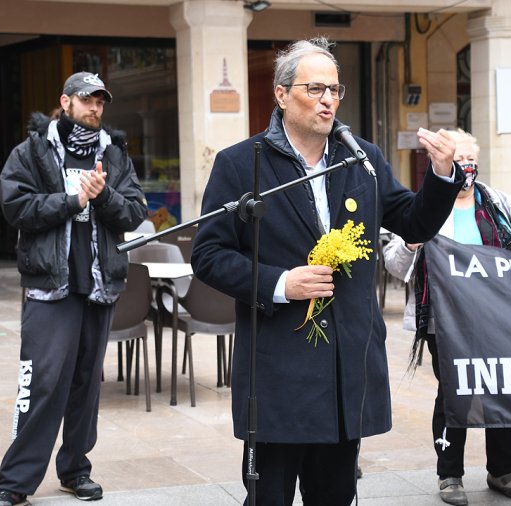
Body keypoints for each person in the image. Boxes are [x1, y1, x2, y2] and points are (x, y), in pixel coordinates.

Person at [191, 37, 463, 505]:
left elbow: (413, 221)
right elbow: (209, 254)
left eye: (335, 90)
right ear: (281, 94)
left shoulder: (363, 158)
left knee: (335, 495)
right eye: (315, 88)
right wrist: (281, 282)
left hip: (345, 368)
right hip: (278, 369)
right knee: (269, 496)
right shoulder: (241, 164)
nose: (328, 100)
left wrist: (440, 177)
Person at [0, 72, 148, 506]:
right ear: (65, 101)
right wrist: (72, 201)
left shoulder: (113, 155)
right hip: (49, 287)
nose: (95, 108)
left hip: (97, 288)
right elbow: (15, 206)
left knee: (85, 385)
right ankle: (15, 483)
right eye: (87, 100)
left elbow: (134, 211)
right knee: (39, 384)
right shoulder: (33, 151)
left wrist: (104, 196)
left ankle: (75, 470)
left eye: (100, 101)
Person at [383, 129, 511, 506]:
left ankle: (502, 470)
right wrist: (410, 244)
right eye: (458, 159)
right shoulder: (422, 205)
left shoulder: (502, 204)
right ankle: (449, 474)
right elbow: (392, 264)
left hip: (499, 318)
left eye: (471, 158)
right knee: (455, 393)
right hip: (445, 320)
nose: (466, 166)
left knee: (504, 389)